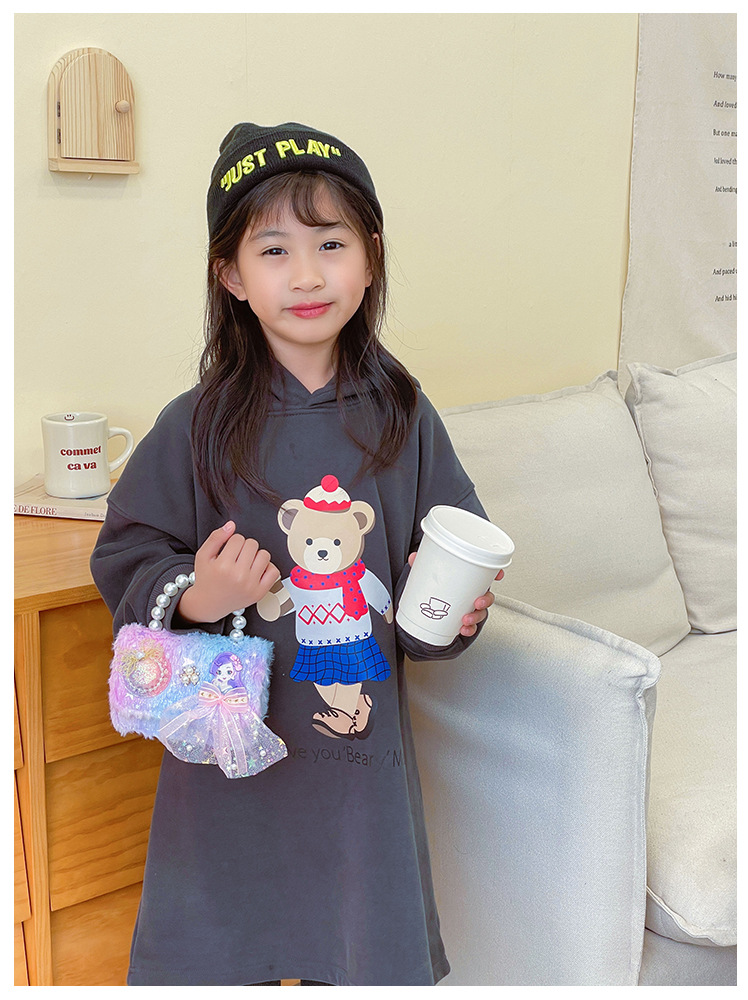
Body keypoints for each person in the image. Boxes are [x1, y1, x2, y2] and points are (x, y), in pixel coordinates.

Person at [91, 121, 503, 987]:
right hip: (227, 755)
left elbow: (443, 558)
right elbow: (126, 548)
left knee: (355, 936)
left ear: (371, 257)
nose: (307, 275)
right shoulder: (196, 423)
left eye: (331, 244)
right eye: (274, 250)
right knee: (224, 934)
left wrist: (455, 612)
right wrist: (199, 595)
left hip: (359, 772)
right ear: (231, 276)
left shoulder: (402, 413)